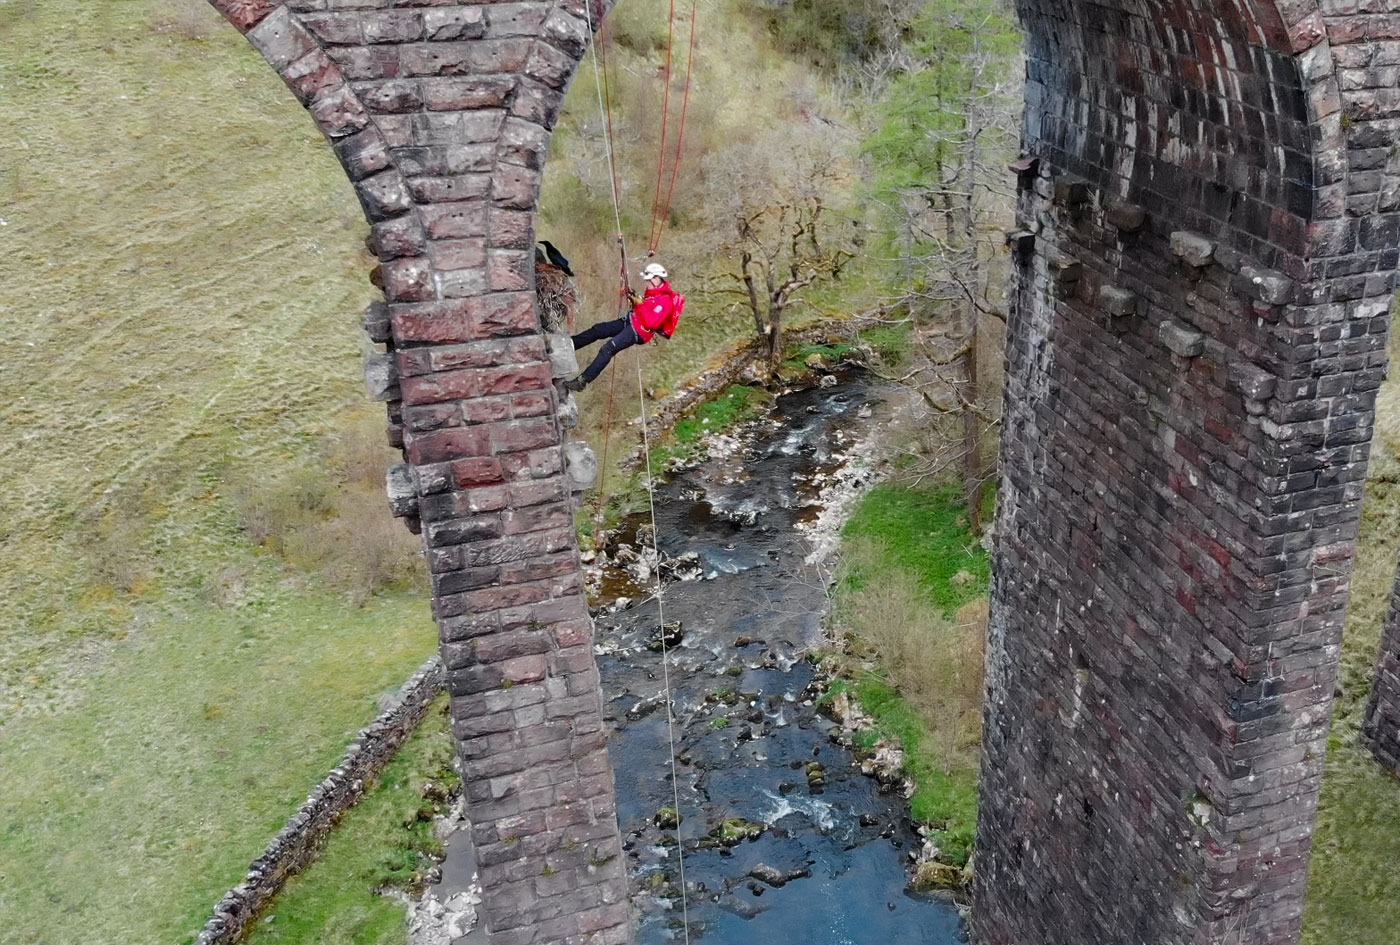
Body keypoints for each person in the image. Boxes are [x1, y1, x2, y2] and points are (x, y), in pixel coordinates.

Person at [563, 262, 682, 392]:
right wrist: (636, 300)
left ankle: (582, 381)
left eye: (648, 280)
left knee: (608, 348)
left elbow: (651, 323)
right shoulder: (653, 292)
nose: (646, 283)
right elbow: (646, 309)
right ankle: (569, 346)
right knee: (598, 329)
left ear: (657, 279)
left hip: (639, 331)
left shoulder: (665, 301)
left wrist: (640, 304)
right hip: (632, 321)